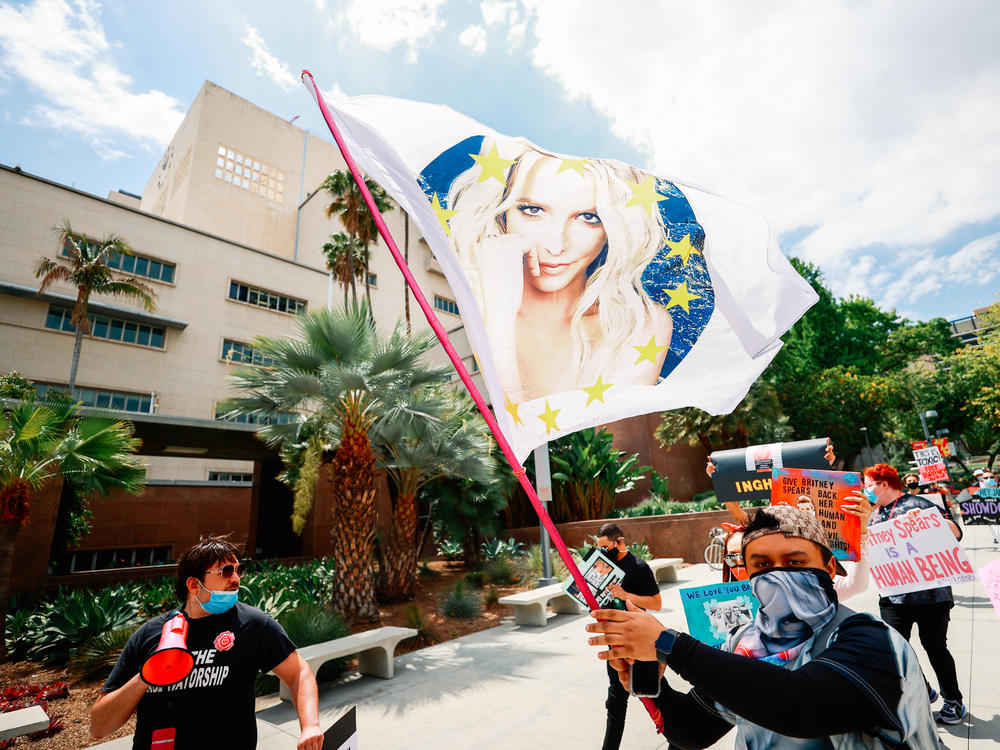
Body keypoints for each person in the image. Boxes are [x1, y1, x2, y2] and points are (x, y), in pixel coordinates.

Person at [585, 505, 940, 749]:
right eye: (762, 565)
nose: (778, 574)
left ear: (830, 568)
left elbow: (800, 705)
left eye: (794, 561)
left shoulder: (872, 639)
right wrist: (649, 679)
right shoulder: (744, 641)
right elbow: (693, 731)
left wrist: (669, 644)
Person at [447, 139, 675, 401]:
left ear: (612, 230)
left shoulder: (636, 325)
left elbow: (530, 434)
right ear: (501, 213)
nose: (556, 246)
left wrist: (497, 323)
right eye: (533, 210)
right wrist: (497, 315)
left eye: (588, 217)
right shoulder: (468, 298)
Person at [90, 536, 324, 749]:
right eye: (225, 571)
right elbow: (99, 727)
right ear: (194, 585)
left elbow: (298, 673)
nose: (236, 579)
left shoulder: (255, 625)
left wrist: (310, 725)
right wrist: (145, 676)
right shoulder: (149, 634)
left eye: (238, 570)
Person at [863, 463, 966, 724]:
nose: (866, 490)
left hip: (930, 595)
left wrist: (929, 522)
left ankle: (953, 700)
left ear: (884, 483)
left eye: (869, 484)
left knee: (935, 647)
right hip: (892, 596)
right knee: (897, 648)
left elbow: (956, 533)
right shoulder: (873, 514)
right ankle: (923, 688)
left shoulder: (919, 503)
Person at [590, 522, 661, 750]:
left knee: (653, 695)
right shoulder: (603, 567)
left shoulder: (638, 567)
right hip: (615, 641)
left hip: (640, 641)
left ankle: (680, 739)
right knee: (616, 703)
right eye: (599, 548)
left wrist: (626, 594)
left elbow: (656, 603)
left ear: (619, 542)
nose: (602, 553)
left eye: (605, 547)